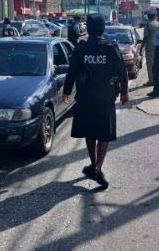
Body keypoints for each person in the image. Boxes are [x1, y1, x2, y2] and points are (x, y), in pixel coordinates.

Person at [62, 14, 129, 189]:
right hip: (105, 97)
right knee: (103, 133)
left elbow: (72, 71)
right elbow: (122, 71)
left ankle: (94, 165)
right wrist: (124, 92)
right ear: (103, 29)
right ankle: (98, 167)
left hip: (85, 97)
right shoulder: (110, 47)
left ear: (88, 29)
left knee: (90, 132)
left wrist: (66, 91)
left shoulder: (81, 48)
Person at [140, 9, 159, 86]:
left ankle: (151, 81)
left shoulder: (147, 25)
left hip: (150, 47)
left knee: (149, 64)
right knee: (156, 64)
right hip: (157, 46)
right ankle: (156, 79)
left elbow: (145, 37)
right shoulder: (158, 24)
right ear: (154, 16)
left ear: (148, 16)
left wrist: (141, 48)